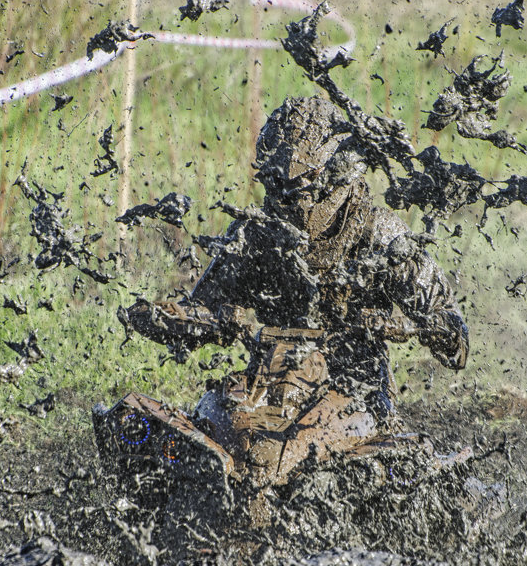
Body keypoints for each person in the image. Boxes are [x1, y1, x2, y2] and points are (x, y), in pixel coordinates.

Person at [123, 96, 467, 486]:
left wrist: (402, 326)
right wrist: (170, 318)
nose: (288, 204)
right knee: (181, 442)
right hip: (266, 390)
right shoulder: (256, 232)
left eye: (301, 190)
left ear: (335, 180)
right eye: (276, 188)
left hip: (356, 394)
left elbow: (455, 339)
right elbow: (203, 312)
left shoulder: (382, 236)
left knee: (326, 469)